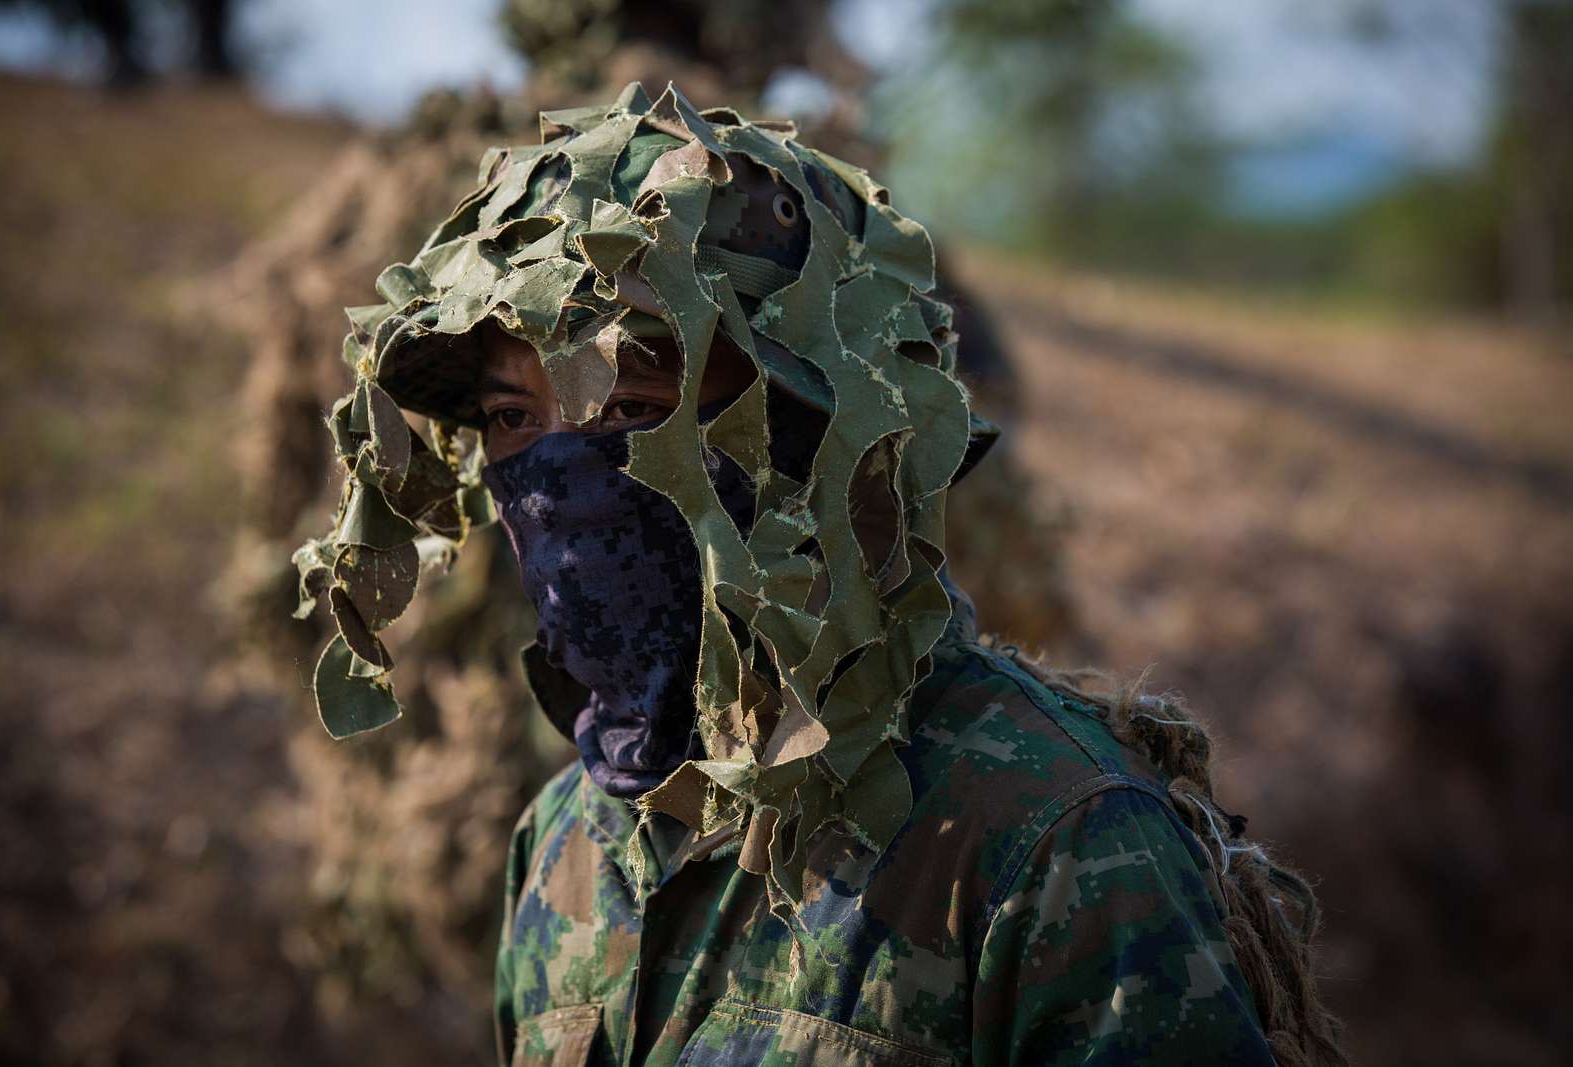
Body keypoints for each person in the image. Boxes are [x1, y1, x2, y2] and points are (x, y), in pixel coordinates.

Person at [293, 83, 1346, 1066]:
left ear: (813, 437)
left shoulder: (1051, 845)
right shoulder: (567, 833)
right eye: (513, 417)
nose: (560, 478)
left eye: (632, 403)